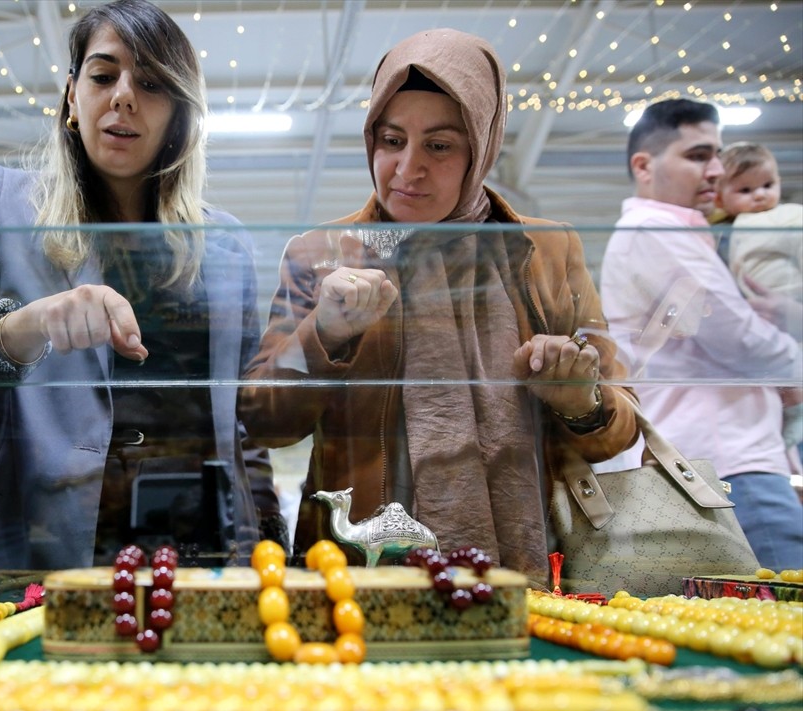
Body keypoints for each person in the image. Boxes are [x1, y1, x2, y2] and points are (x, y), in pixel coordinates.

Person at [239, 28, 638, 585]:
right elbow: (263, 420)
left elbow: (619, 431)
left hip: (529, 571)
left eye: (440, 145)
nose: (408, 169)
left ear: (482, 146)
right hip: (362, 574)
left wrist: (580, 401)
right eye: (392, 140)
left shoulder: (548, 248)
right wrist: (324, 332)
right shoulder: (322, 253)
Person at [0, 0, 279, 572]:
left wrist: (269, 546)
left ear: (179, 112)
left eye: (151, 83)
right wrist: (28, 325)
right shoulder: (4, 207)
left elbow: (242, 425)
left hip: (196, 550)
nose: (123, 96)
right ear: (71, 96)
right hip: (38, 550)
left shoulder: (224, 244)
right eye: (104, 76)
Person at [599, 99, 802, 570]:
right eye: (697, 156)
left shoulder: (676, 233)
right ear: (644, 166)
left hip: (719, 457)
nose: (716, 170)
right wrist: (795, 350)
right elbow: (740, 340)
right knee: (785, 604)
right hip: (726, 461)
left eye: (717, 155)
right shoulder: (656, 231)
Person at [715, 143, 803, 463]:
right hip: (757, 321)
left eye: (768, 185)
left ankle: (795, 418)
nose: (760, 195)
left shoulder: (788, 218)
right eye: (745, 190)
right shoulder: (720, 232)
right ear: (721, 197)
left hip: (790, 304)